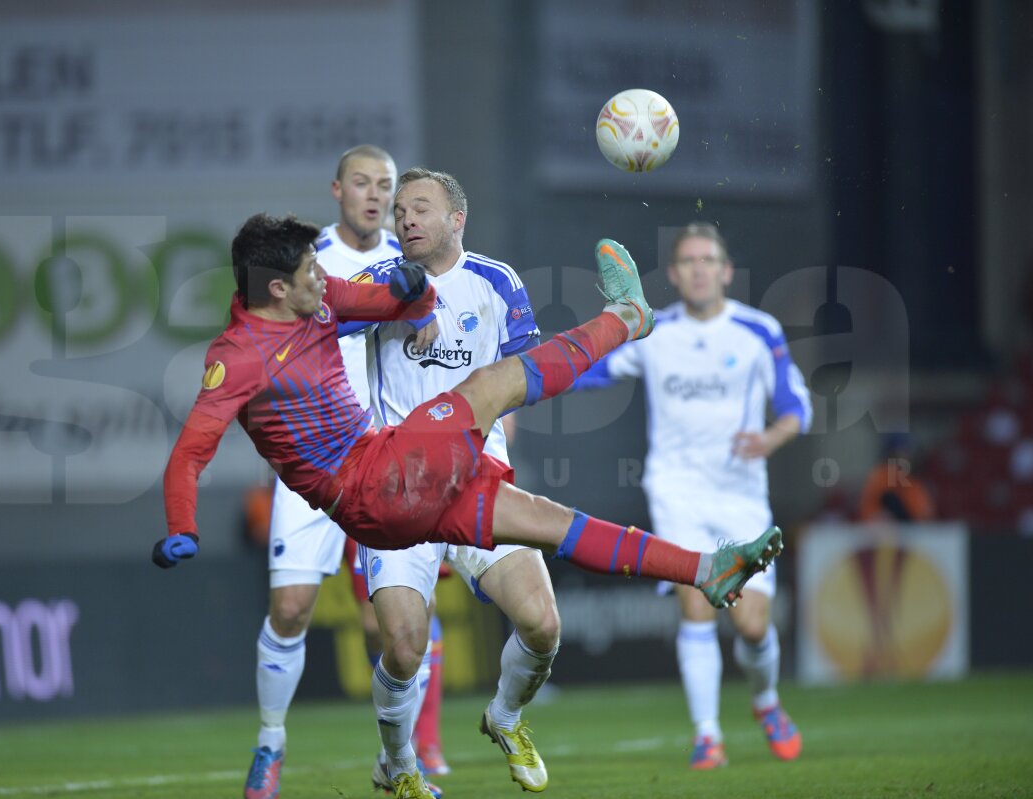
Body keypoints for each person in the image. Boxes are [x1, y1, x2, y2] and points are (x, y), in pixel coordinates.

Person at [155, 213, 785, 799]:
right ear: (272, 289)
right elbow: (187, 455)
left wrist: (411, 289)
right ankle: (629, 319)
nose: (324, 277)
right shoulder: (234, 359)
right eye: (309, 273)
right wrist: (182, 526)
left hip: (402, 474)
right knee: (491, 385)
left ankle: (706, 570)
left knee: (546, 522)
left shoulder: (317, 301)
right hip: (368, 487)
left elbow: (401, 300)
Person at [233, 144, 445, 799]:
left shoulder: (409, 261)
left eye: (386, 185)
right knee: (292, 606)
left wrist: (423, 312)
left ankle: (406, 753)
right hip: (314, 461)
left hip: (387, 462)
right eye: (363, 183)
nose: (376, 195)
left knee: (396, 626)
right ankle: (270, 743)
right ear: (337, 190)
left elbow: (437, 338)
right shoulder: (303, 262)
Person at [347, 168, 560, 794]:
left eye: (420, 207)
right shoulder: (380, 281)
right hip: (397, 496)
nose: (405, 218)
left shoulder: (496, 282)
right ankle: (400, 765)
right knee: (406, 647)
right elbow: (329, 316)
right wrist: (401, 302)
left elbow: (526, 371)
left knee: (543, 624)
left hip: (476, 487)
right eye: (399, 211)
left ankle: (506, 717)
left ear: (456, 219)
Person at [574, 222, 811, 769]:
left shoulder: (759, 330)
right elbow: (590, 371)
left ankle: (766, 701)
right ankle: (707, 734)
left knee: (753, 624)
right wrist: (525, 375)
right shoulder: (655, 334)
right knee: (697, 606)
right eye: (688, 261)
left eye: (709, 259)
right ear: (675, 275)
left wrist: (770, 437)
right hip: (675, 491)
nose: (699, 269)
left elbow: (796, 405)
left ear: (726, 271)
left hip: (740, 496)